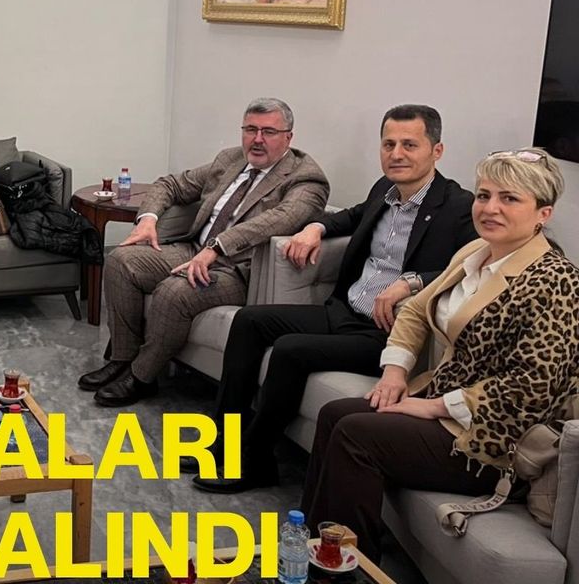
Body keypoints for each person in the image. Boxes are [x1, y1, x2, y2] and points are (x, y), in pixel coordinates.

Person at [301, 148, 579, 561]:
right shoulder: (475, 253)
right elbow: (415, 309)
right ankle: (316, 548)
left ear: (543, 213)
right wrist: (395, 372)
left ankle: (349, 567)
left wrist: (432, 407)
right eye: (484, 195)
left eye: (509, 198)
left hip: (494, 439)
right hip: (447, 407)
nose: (490, 208)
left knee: (357, 435)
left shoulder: (556, 280)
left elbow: (529, 390)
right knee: (334, 414)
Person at [193, 105, 477, 493]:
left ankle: (257, 462)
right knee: (250, 320)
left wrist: (412, 282)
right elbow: (351, 217)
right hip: (345, 310)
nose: (396, 154)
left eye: (410, 145)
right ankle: (224, 443)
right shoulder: (384, 190)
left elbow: (474, 265)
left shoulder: (459, 207)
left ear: (436, 151)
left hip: (385, 335)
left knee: (291, 350)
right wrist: (315, 227)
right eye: (389, 144)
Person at [77, 98, 330, 406]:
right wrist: (148, 219)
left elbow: (280, 218)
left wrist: (218, 247)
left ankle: (141, 377)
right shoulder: (230, 159)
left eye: (268, 132)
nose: (257, 139)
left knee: (175, 291)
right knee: (120, 260)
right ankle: (122, 359)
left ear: (289, 137)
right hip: (192, 249)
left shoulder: (306, 178)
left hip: (237, 270)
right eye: (250, 129)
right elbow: (170, 184)